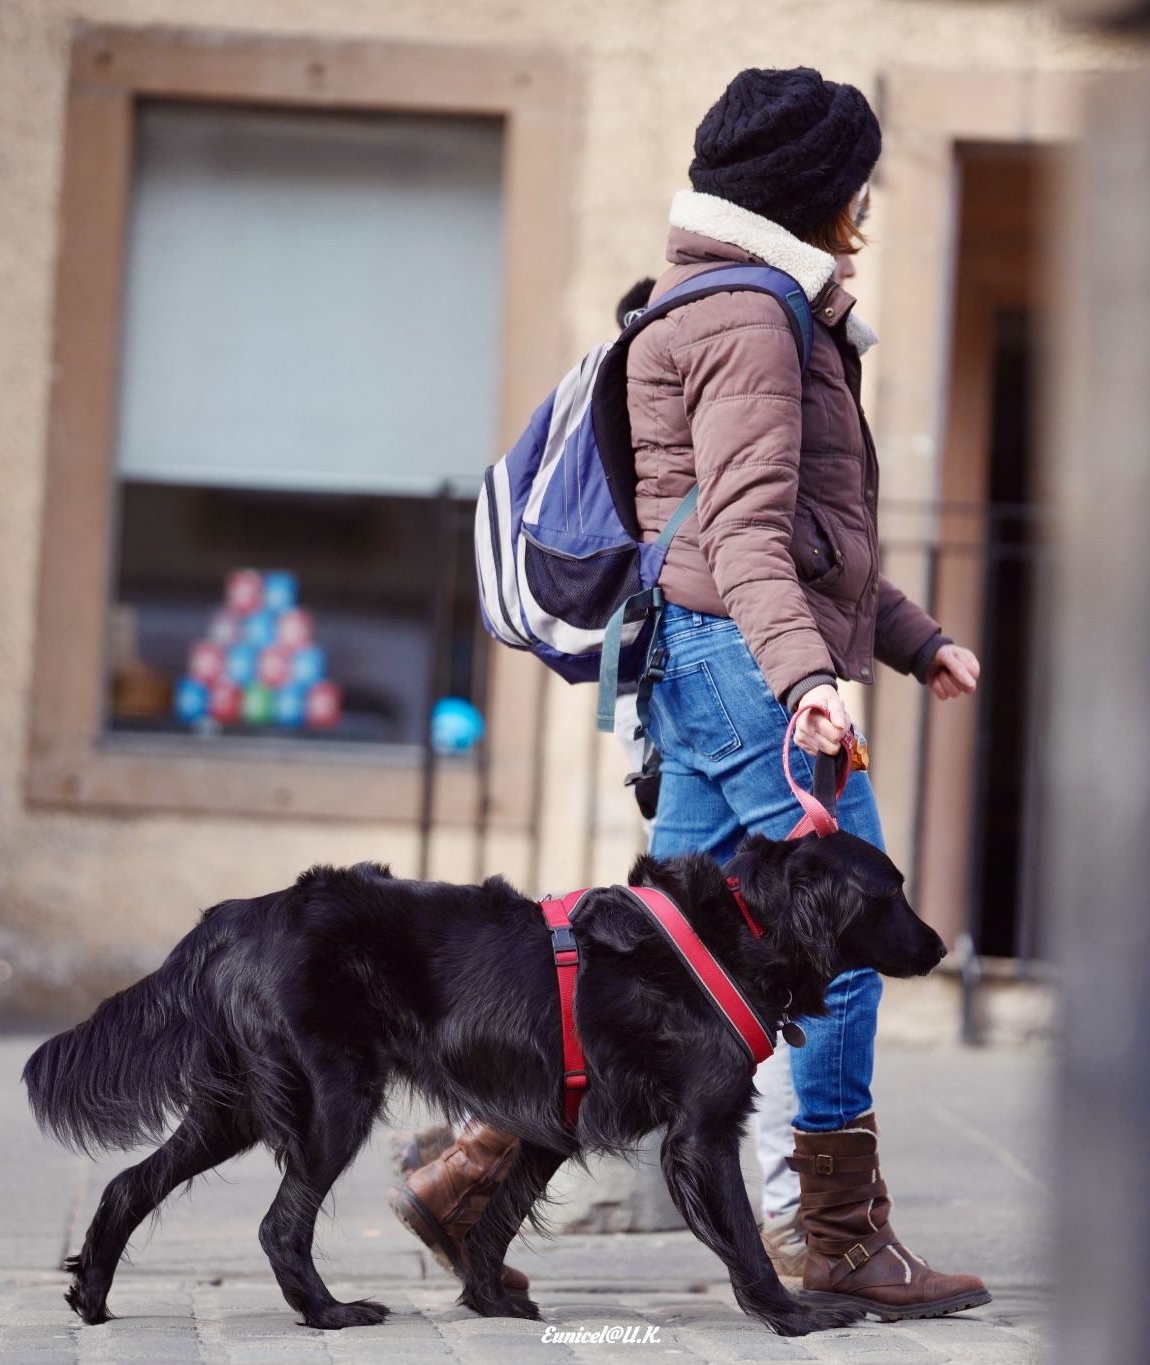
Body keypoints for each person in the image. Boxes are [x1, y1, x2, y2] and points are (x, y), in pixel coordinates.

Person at [394, 67, 987, 1320]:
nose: (866, 206)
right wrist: (808, 682)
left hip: (707, 656)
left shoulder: (734, 307)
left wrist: (910, 639)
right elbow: (748, 539)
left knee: (660, 959)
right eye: (855, 181)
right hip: (741, 668)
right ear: (811, 187)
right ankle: (837, 1239)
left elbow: (809, 545)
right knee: (845, 938)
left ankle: (470, 1179)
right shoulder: (751, 321)